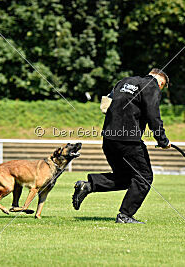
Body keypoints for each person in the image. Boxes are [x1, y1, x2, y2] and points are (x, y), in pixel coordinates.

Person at [72, 68, 171, 223]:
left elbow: (105, 105)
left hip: (109, 138)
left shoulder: (124, 81)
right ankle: (125, 215)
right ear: (161, 82)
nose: (160, 90)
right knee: (144, 177)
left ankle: (89, 185)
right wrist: (162, 140)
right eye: (162, 87)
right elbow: (154, 116)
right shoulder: (151, 86)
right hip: (128, 141)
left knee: (126, 178)